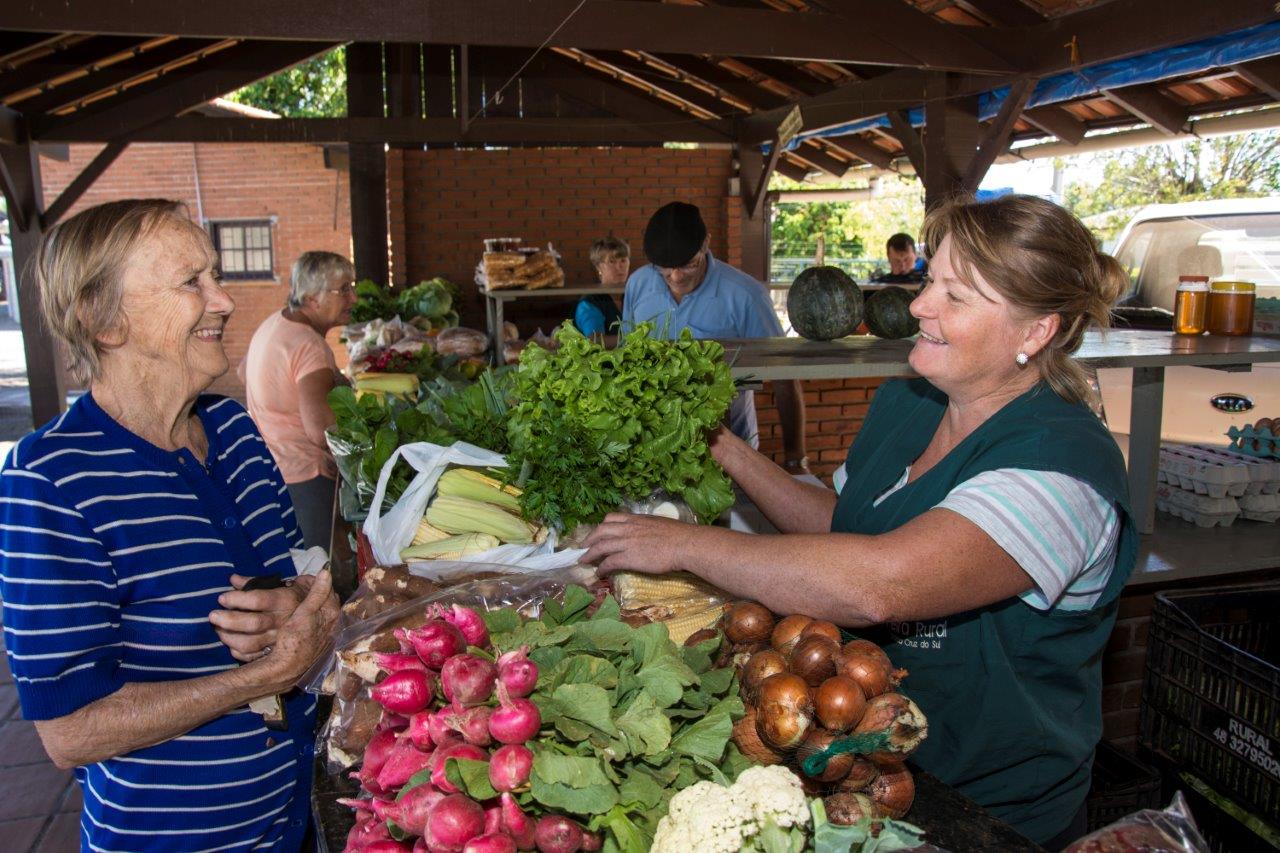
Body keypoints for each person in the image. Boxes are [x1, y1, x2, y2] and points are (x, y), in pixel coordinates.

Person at [586, 194, 1136, 849]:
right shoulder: (909, 400)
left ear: (1035, 331)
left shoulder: (1063, 465)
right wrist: (724, 448)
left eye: (954, 296)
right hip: (850, 773)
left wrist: (682, 542)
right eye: (931, 278)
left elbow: (881, 581)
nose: (920, 304)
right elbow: (845, 523)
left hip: (987, 809)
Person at [0, 199, 340, 851]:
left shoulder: (235, 430)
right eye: (192, 282)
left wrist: (297, 604)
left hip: (291, 818)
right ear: (104, 321)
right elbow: (69, 730)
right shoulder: (51, 480)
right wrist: (257, 679)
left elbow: (287, 576)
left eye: (215, 275)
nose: (223, 301)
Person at [624, 201, 808, 471]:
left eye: (688, 265)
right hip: (655, 443)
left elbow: (784, 379)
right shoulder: (638, 285)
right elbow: (627, 358)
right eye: (664, 268)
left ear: (706, 244)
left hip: (730, 444)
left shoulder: (746, 295)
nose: (675, 276)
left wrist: (795, 457)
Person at [241, 250, 356, 551]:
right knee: (318, 566)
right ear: (311, 298)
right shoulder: (309, 346)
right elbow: (321, 430)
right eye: (344, 290)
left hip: (272, 465)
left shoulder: (273, 325)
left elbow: (245, 372)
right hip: (305, 476)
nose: (353, 298)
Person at [575, 236, 627, 339]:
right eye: (612, 261)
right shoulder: (589, 302)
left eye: (623, 260)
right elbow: (595, 341)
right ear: (598, 266)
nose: (619, 266)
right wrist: (634, 342)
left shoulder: (632, 295)